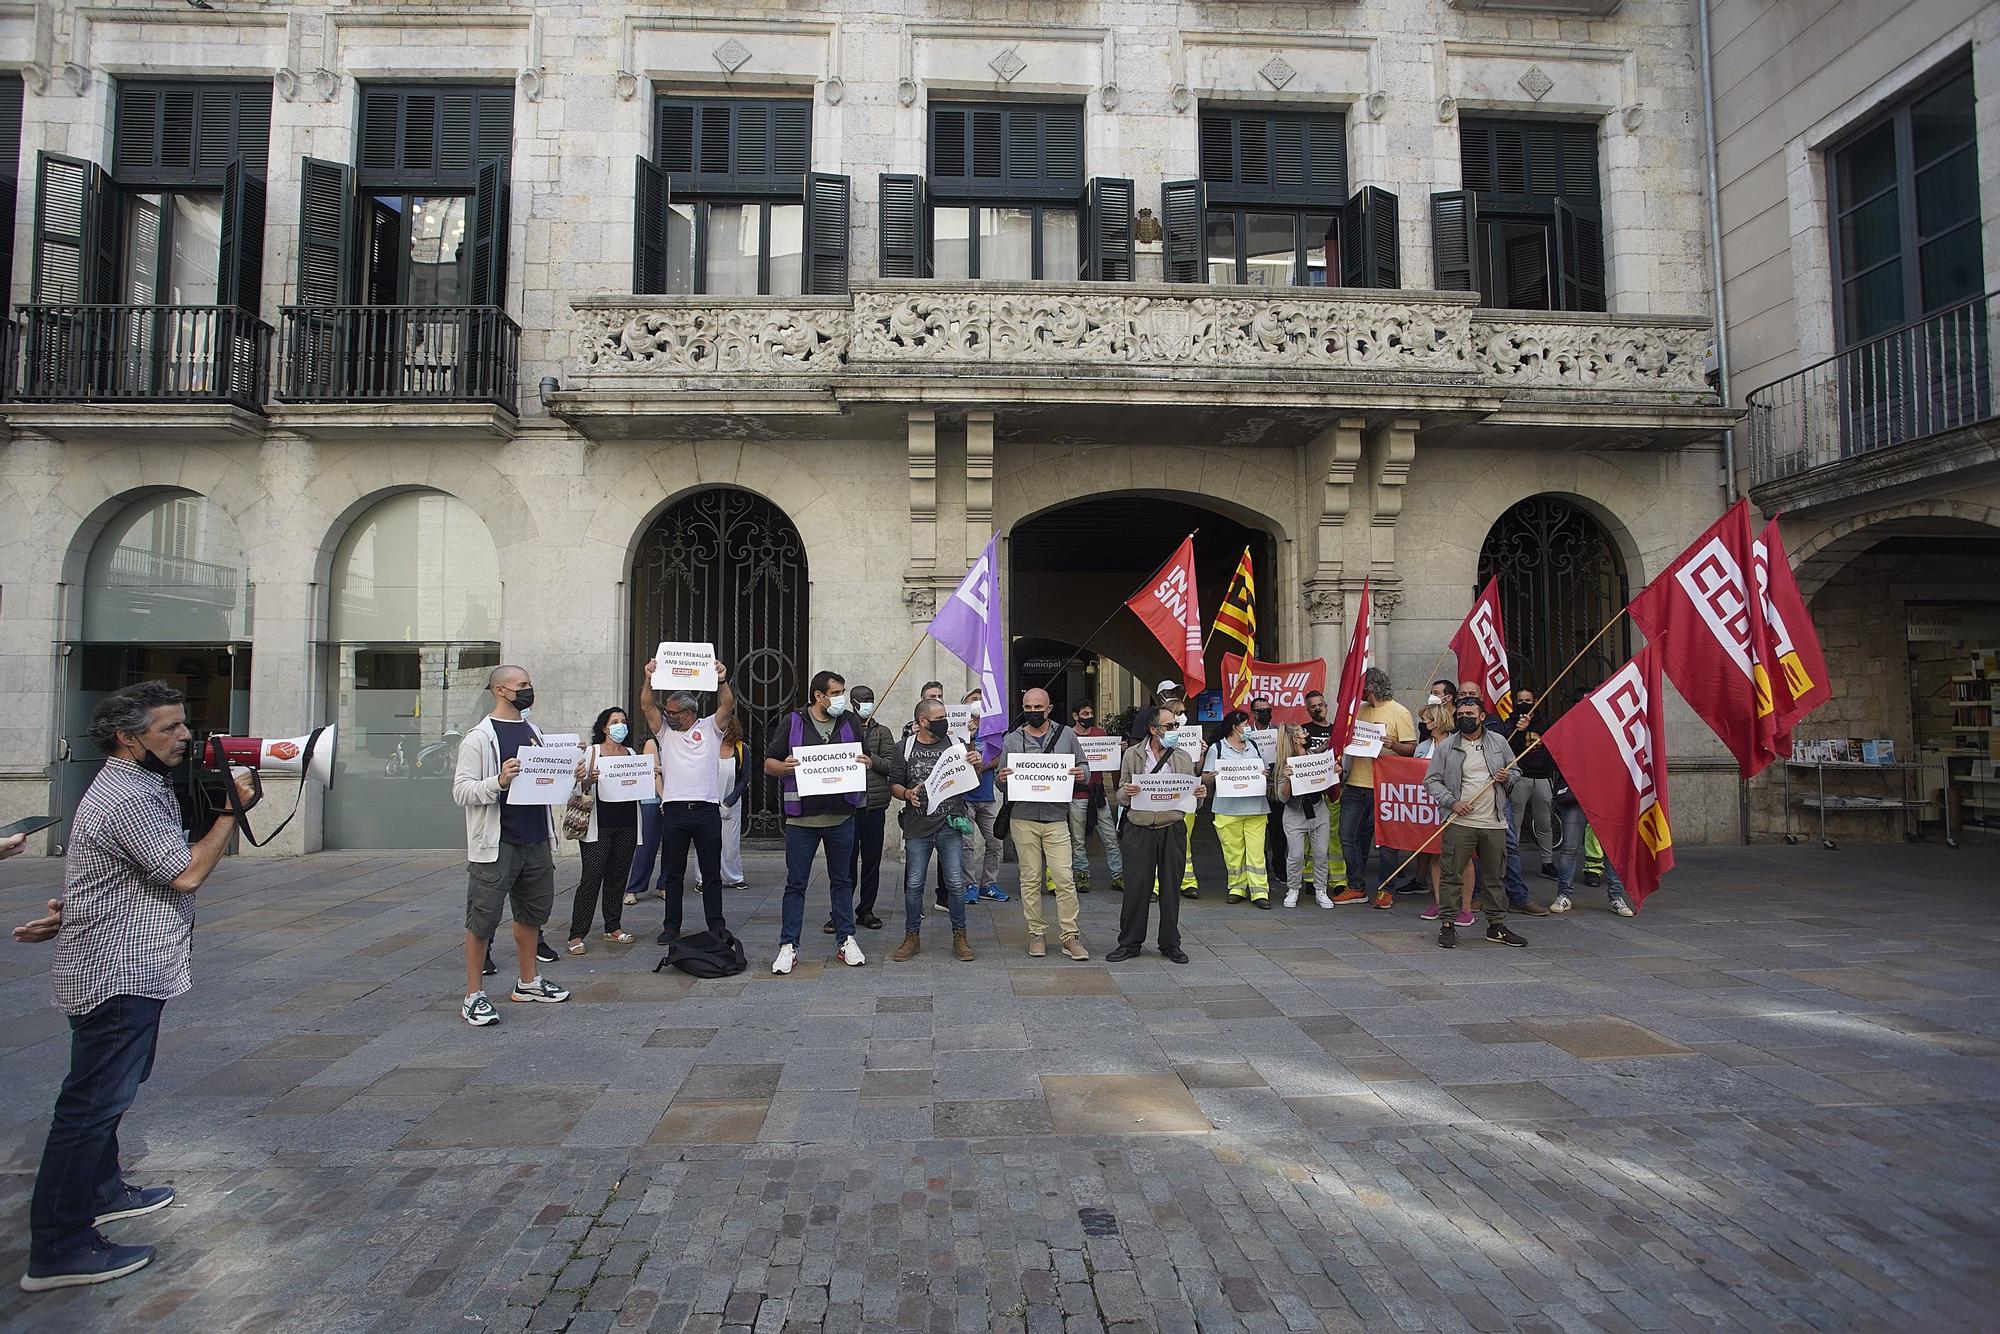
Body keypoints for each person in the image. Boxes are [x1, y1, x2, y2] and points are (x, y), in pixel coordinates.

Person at [15, 681, 256, 1291]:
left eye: (183, 724)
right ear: (128, 737)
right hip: (118, 970)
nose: (184, 737)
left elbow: (108, 873)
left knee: (106, 1094)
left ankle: (102, 1191)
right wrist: (229, 810)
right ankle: (60, 1247)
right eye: (169, 728)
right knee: (91, 1106)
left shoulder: (139, 786)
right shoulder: (130, 796)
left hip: (123, 960)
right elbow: (186, 874)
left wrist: (69, 911)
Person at [453, 665, 570, 1027]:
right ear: (501, 690)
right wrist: (499, 780)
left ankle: (528, 981)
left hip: (535, 837)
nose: (528, 690)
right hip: (497, 841)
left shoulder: (532, 730)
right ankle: (474, 995)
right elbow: (461, 790)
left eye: (529, 684)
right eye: (522, 685)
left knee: (532, 913)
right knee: (482, 917)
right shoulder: (478, 738)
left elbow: (543, 777)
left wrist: (572, 769)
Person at [765, 671, 870, 974]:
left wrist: (865, 761)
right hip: (802, 820)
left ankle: (846, 939)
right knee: (796, 884)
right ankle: (788, 946)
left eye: (842, 692)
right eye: (835, 693)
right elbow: (769, 763)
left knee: (843, 881)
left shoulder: (850, 722)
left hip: (842, 816)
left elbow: (864, 756)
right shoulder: (794, 721)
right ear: (818, 696)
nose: (840, 698)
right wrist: (783, 768)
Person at [636, 657, 737, 948]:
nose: (667, 716)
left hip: (706, 809)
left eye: (674, 712)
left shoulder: (710, 728)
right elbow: (646, 705)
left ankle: (716, 925)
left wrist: (721, 679)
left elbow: (727, 705)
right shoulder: (665, 732)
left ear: (689, 713)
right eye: (666, 711)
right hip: (675, 811)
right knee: (673, 874)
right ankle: (671, 926)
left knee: (711, 873)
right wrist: (648, 678)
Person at [1425, 694, 1526, 949]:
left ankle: (1496, 926)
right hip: (1460, 821)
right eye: (1460, 715)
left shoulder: (1499, 742)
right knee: (1451, 875)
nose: (1464, 719)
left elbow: (1516, 771)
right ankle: (1447, 924)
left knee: (1494, 876)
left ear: (1482, 717)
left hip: (1493, 821)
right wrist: (1451, 802)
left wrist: (1507, 777)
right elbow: (1432, 780)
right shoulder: (1447, 746)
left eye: (1470, 715)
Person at [1109, 706, 1208, 963]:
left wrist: (1199, 797)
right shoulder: (1132, 755)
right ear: (1154, 730)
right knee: (1136, 888)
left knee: (1171, 887)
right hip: (1139, 827)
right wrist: (1127, 793)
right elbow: (1120, 794)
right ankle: (1130, 943)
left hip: (1172, 827)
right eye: (1170, 726)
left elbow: (1190, 797)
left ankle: (1170, 943)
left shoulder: (1183, 757)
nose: (1175, 731)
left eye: (1176, 726)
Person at [885, 698, 981, 962]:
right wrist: (907, 794)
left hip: (950, 824)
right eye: (939, 718)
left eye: (945, 716)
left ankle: (960, 935)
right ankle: (911, 936)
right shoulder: (903, 748)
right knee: (914, 883)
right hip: (917, 826)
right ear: (923, 722)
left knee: (955, 884)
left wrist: (976, 762)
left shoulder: (955, 745)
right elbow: (894, 784)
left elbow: (972, 780)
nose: (945, 722)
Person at [997, 688, 1090, 960]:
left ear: (1049, 708)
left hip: (1056, 818)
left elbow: (1085, 768)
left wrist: (1079, 772)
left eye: (1038, 707)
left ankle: (1070, 936)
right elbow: (999, 780)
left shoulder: (1067, 736)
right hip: (1023, 818)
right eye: (1028, 707)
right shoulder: (1012, 740)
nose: (1033, 711)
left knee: (1064, 877)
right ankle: (1036, 933)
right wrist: (1001, 778)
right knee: (1030, 878)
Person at [1458, 679, 1551, 917]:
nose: (1467, 700)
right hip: (1465, 803)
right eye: (1463, 696)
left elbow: (1514, 768)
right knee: (1470, 849)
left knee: (1508, 845)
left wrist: (1506, 776)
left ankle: (1518, 896)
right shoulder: (1452, 739)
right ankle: (1475, 895)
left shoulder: (1496, 733)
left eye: (1472, 696)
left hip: (1497, 801)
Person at [564, 708, 641, 955]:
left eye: (624, 721)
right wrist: (589, 780)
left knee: (618, 878)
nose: (620, 726)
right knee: (591, 879)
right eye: (615, 722)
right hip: (599, 826)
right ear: (604, 727)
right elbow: (575, 786)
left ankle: (613, 926)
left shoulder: (630, 753)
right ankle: (577, 933)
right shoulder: (592, 752)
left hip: (626, 823)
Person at [1340, 668, 1417, 910]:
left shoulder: (1399, 712)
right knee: (1347, 836)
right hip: (1355, 783)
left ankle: (1386, 889)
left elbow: (1411, 748)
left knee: (1386, 842)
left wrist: (1391, 744)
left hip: (1384, 787)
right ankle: (1356, 886)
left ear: (1370, 688)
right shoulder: (1360, 710)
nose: (1358, 691)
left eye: (1360, 686)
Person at [1548, 753, 1636, 916]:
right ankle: (1564, 895)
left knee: (1611, 848)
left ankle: (1616, 896)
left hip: (1605, 793)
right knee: (1569, 848)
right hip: (1578, 792)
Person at [1274, 692, 1338, 908]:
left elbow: (1327, 780)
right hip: (1295, 813)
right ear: (1294, 738)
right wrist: (1289, 780)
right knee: (1296, 855)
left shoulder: (1313, 756)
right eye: (1302, 732)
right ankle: (1293, 889)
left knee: (1321, 853)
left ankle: (1321, 890)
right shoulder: (1286, 763)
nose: (1306, 733)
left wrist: (1335, 771)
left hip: (1318, 810)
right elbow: (1282, 797)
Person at [1203, 710, 1272, 907]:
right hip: (1227, 809)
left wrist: (1264, 773)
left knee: (1257, 852)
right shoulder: (1217, 748)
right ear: (1235, 726)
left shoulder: (1254, 746)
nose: (1248, 728)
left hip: (1256, 808)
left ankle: (1260, 892)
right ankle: (1237, 888)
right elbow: (1205, 777)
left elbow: (1265, 770)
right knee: (1233, 853)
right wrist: (1214, 776)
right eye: (1245, 724)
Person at [1411, 703, 1468, 927]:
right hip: (1426, 808)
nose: (1424, 723)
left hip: (1452, 805)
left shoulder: (1457, 744)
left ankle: (1464, 907)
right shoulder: (1423, 747)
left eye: (1426, 719)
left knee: (1463, 858)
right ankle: (1440, 902)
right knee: (1435, 854)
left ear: (1436, 720)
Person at [842, 684, 892, 932]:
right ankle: (840, 912)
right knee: (845, 863)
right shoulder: (842, 728)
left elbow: (891, 766)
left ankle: (866, 910)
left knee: (871, 860)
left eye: (871, 699)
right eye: (863, 699)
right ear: (852, 702)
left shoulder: (882, 732)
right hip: (849, 808)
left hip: (874, 806)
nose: (867, 702)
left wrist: (871, 758)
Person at [1500, 687, 1559, 876]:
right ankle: (1512, 863)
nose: (1524, 703)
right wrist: (1518, 731)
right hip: (1520, 778)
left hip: (1542, 778)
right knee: (1514, 823)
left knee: (1544, 823)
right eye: (1520, 700)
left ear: (1535, 700)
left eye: (1528, 699)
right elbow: (1506, 748)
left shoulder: (1546, 722)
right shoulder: (1510, 723)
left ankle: (1547, 862)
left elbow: (1555, 745)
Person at [1067, 700, 1122, 893]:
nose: (1089, 717)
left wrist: (1117, 750)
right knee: (1078, 838)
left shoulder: (1101, 735)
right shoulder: (1068, 736)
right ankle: (1082, 874)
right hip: (1077, 794)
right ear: (1075, 716)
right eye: (1084, 713)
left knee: (1110, 837)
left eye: (1091, 713)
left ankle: (1118, 875)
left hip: (1099, 795)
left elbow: (1111, 759)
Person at [959, 687, 1005, 904]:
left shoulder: (992, 731)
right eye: (973, 699)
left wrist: (983, 765)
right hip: (965, 799)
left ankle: (989, 884)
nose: (977, 701)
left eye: (980, 699)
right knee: (966, 844)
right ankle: (969, 885)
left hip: (987, 797)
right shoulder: (957, 731)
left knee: (995, 842)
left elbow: (1000, 756)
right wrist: (968, 737)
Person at [622, 733, 664, 906]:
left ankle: (665, 885)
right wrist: (664, 797)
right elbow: (654, 773)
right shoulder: (652, 743)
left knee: (672, 846)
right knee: (646, 845)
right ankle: (633, 888)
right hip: (653, 799)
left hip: (677, 798)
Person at [717, 715, 748, 889]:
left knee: (730, 842)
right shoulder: (709, 748)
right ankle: (704, 878)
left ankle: (734, 876)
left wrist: (730, 800)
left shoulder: (741, 749)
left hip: (731, 801)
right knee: (706, 843)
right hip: (710, 801)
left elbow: (745, 778)